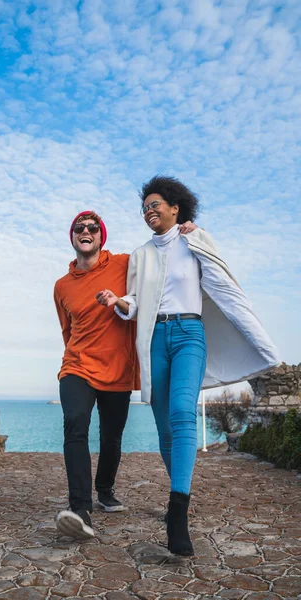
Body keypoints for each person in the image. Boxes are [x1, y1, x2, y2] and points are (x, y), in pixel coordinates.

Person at [96, 175, 280, 556]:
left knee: (182, 412)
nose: (149, 211)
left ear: (175, 207)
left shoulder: (195, 239)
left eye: (155, 204)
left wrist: (196, 235)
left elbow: (221, 281)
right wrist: (118, 300)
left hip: (190, 334)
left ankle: (177, 511)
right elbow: (134, 301)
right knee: (165, 429)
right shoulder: (140, 254)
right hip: (155, 340)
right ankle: (178, 489)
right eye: (144, 207)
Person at [54, 209, 199, 539]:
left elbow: (161, 263)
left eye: (92, 227)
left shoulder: (125, 263)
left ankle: (104, 489)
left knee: (111, 436)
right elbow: (67, 330)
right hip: (77, 365)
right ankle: (80, 510)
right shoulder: (61, 286)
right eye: (79, 227)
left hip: (118, 369)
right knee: (75, 425)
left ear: (101, 236)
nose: (85, 231)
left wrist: (186, 230)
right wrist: (73, 360)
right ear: (73, 236)